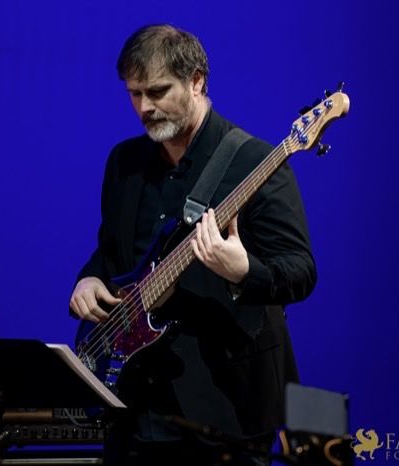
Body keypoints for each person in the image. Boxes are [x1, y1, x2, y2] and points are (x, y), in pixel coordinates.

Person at [69, 24, 316, 466]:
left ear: (197, 81)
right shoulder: (125, 162)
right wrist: (89, 279)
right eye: (134, 94)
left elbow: (300, 271)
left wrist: (243, 271)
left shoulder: (255, 160)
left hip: (225, 411)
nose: (144, 107)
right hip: (134, 405)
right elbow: (110, 251)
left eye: (158, 91)